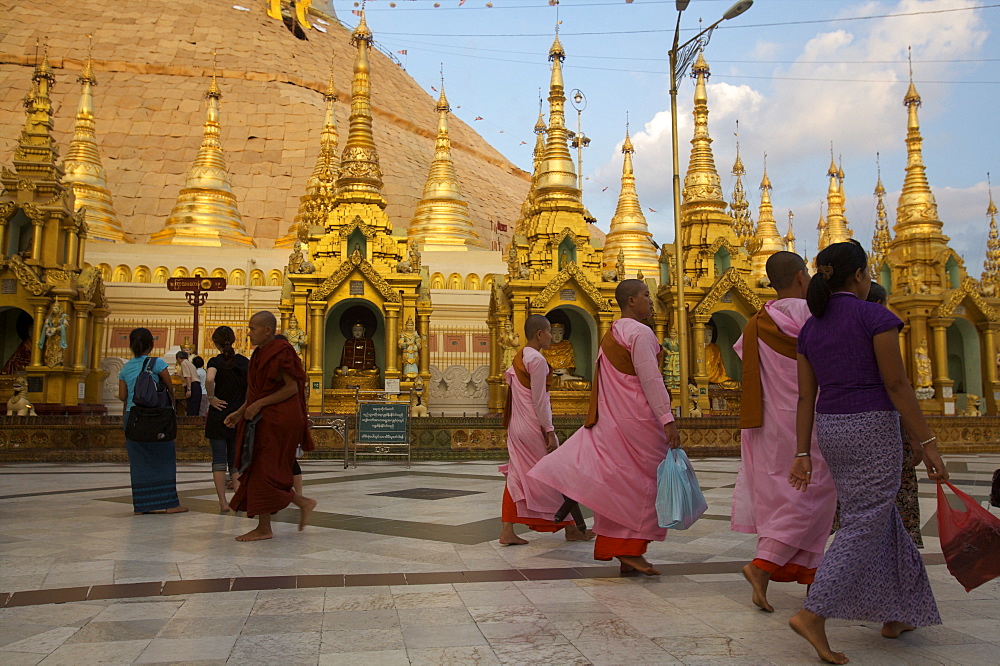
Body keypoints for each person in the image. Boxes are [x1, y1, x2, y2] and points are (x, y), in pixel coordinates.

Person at [789, 240, 948, 664]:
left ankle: (897, 612)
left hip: (832, 428)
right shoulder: (875, 316)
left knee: (881, 515)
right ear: (860, 275)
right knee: (866, 519)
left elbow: (806, 398)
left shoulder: (811, 328)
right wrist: (927, 442)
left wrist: (802, 451)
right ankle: (813, 611)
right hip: (873, 424)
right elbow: (896, 385)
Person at [529, 279, 681, 575]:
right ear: (631, 301)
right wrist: (667, 419)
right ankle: (629, 550)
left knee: (617, 487)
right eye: (646, 296)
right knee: (641, 488)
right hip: (639, 422)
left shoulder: (613, 332)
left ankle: (624, 550)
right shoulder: (639, 332)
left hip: (614, 422)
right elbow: (651, 379)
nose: (650, 301)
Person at [731, 252, 837, 613]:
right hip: (807, 421)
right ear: (800, 277)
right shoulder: (812, 315)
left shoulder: (757, 321)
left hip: (767, 424)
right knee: (812, 496)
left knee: (785, 497)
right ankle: (762, 567)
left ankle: (812, 579)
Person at [499, 314, 593, 546]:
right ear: (539, 334)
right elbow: (540, 400)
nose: (552, 336)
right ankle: (572, 527)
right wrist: (549, 431)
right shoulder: (538, 360)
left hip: (517, 427)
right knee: (558, 474)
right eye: (550, 331)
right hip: (533, 427)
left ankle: (508, 530)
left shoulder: (519, 356)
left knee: (516, 475)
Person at [225, 311, 316, 541]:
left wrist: (259, 405)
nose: (249, 333)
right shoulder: (258, 354)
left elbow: (291, 388)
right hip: (264, 417)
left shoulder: (282, 351)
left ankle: (265, 528)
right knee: (259, 468)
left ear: (267, 330)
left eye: (253, 328)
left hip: (279, 419)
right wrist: (240, 412)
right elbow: (257, 391)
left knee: (263, 469)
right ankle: (301, 502)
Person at [117, 328, 188, 515]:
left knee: (139, 462)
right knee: (163, 458)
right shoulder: (157, 363)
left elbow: (122, 395)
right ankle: (169, 503)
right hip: (156, 418)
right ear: (151, 344)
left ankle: (141, 505)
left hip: (133, 417)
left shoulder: (124, 368)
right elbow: (169, 389)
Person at [205, 326, 249, 513]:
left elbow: (209, 379)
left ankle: (223, 502)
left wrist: (211, 397)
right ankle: (238, 500)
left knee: (219, 460)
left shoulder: (215, 361)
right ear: (234, 340)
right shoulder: (244, 362)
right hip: (238, 414)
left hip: (219, 413)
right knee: (235, 461)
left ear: (215, 343)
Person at [176, 350, 201, 417]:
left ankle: (190, 426)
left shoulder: (183, 363)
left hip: (192, 386)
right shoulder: (190, 363)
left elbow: (188, 377)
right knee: (195, 409)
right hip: (197, 386)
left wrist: (189, 390)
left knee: (191, 408)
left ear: (178, 358)